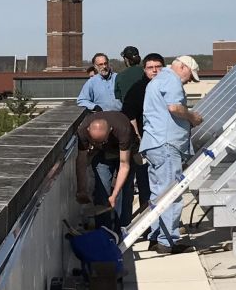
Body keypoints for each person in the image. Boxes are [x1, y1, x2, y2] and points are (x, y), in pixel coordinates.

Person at [139, 54, 204, 254]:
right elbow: (174, 107)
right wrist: (192, 116)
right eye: (190, 77)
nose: (189, 81)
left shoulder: (158, 80)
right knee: (171, 195)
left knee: (159, 194)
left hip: (154, 143)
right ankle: (167, 242)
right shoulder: (172, 80)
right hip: (166, 145)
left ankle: (156, 237)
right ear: (182, 67)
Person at [74, 110, 137, 228]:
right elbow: (81, 161)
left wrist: (114, 194)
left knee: (124, 192)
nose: (100, 143)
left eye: (103, 140)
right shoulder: (82, 130)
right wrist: (81, 189)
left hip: (126, 153)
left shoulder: (122, 128)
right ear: (88, 130)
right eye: (96, 141)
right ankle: (103, 230)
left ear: (110, 130)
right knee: (102, 192)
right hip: (102, 154)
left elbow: (124, 165)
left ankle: (122, 229)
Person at [121, 53, 163, 212]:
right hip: (145, 145)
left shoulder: (168, 87)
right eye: (150, 68)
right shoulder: (138, 89)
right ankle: (149, 225)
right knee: (146, 186)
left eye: (158, 67)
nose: (154, 71)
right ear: (144, 70)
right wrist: (139, 138)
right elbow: (129, 114)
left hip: (165, 144)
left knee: (165, 186)